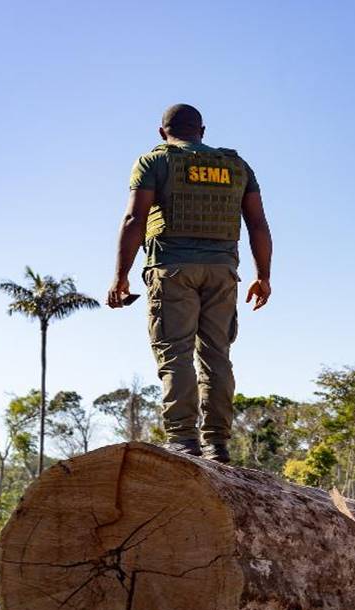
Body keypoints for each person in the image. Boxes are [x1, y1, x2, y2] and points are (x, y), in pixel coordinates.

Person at [107, 104, 273, 463]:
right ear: (203, 130)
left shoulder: (154, 162)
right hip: (223, 272)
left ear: (161, 131)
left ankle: (183, 439)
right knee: (217, 357)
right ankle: (217, 444)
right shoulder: (237, 166)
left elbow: (135, 217)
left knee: (176, 353)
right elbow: (258, 224)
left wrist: (121, 275)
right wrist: (263, 276)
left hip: (172, 269)